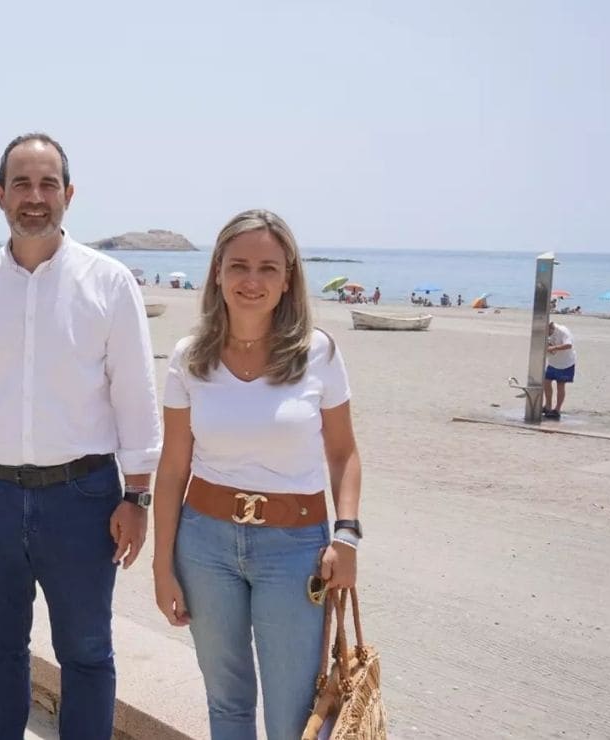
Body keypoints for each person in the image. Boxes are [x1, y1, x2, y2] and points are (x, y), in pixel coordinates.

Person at [0, 133, 161, 739]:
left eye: (48, 183)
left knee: (85, 652)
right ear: (0, 195)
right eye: (21, 184)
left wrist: (137, 499)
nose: (35, 197)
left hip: (83, 501)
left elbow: (136, 395)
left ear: (69, 194)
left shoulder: (109, 284)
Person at [151, 209, 363, 739]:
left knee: (293, 714)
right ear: (217, 272)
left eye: (268, 268)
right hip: (204, 546)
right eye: (238, 265)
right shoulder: (188, 358)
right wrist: (161, 566)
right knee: (226, 702)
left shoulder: (319, 352)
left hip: (295, 551)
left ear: (288, 277)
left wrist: (348, 536)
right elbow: (174, 467)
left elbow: (344, 454)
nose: (252, 280)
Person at [543, 321, 576, 420]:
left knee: (560, 385)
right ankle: (548, 406)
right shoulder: (546, 333)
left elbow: (568, 345)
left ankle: (557, 409)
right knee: (546, 382)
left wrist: (554, 347)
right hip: (553, 362)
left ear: (551, 327)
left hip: (566, 362)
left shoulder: (563, 331)